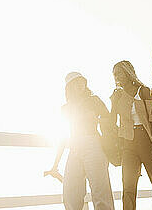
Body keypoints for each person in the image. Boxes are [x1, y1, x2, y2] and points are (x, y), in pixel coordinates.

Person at [45, 72, 115, 210]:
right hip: (74, 148)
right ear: (69, 87)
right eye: (76, 82)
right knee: (70, 194)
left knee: (100, 192)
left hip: (93, 144)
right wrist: (55, 165)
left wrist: (97, 119)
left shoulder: (94, 100)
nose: (80, 84)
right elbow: (63, 137)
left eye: (82, 81)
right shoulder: (66, 108)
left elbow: (110, 121)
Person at [110, 60, 152, 210]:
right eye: (115, 74)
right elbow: (112, 123)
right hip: (128, 144)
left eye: (119, 73)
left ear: (128, 73)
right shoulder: (118, 96)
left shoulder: (143, 91)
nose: (117, 77)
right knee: (128, 186)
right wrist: (113, 103)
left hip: (146, 141)